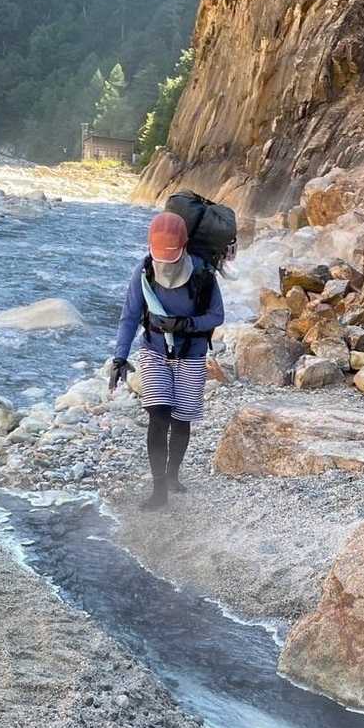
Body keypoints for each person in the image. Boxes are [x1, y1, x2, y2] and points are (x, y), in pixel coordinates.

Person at [111, 210, 225, 511]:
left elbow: (217, 316)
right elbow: (129, 316)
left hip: (191, 353)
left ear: (184, 247)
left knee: (181, 419)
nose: (164, 264)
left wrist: (185, 324)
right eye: (160, 257)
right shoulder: (144, 271)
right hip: (154, 351)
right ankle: (158, 489)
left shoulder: (202, 274)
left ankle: (173, 474)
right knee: (158, 416)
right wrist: (120, 357)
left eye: (170, 258)